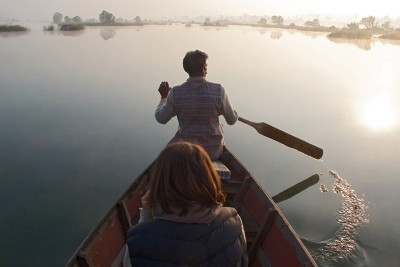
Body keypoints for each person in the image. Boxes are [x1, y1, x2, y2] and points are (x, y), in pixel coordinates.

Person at [126, 141, 248, 266]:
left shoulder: (137, 239)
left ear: (159, 182)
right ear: (210, 180)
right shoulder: (235, 222)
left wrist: (146, 215)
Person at [155, 50, 238, 160]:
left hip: (186, 152)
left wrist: (164, 97)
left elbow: (161, 118)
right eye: (206, 66)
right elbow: (232, 120)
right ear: (203, 68)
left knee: (168, 153)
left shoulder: (176, 93)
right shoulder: (219, 91)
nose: (207, 69)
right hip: (212, 153)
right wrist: (232, 112)